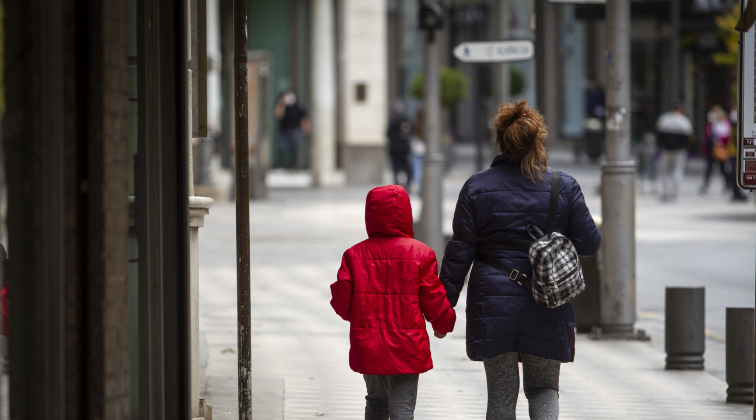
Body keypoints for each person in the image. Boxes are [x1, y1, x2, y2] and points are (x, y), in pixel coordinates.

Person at [440, 100, 601, 420]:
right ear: (538, 141)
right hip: (548, 301)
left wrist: (443, 307)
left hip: (492, 301)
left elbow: (460, 252)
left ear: (500, 142)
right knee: (543, 388)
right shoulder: (563, 185)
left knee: (501, 395)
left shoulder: (476, 187)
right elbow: (589, 243)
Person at [331, 185, 456, 420]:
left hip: (369, 343)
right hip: (407, 345)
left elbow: (340, 299)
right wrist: (442, 326)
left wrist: (358, 316)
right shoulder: (421, 254)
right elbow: (434, 298)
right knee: (403, 407)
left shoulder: (354, 254)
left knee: (376, 401)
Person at [656, 104, 693, 202]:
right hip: (679, 151)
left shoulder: (664, 119)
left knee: (664, 172)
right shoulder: (684, 121)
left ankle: (664, 192)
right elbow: (688, 139)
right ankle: (675, 194)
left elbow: (659, 137)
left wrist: (659, 149)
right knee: (677, 172)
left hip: (666, 150)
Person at [699, 105, 731, 195]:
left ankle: (728, 186)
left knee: (722, 169)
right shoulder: (710, 124)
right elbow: (706, 137)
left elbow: (727, 137)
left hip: (720, 149)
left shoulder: (724, 123)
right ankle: (705, 186)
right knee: (708, 168)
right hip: (710, 149)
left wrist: (721, 142)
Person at [275, 90, 309, 169]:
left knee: (295, 150)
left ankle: (294, 166)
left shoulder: (299, 107)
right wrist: (282, 103)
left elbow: (304, 119)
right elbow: (278, 115)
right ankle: (280, 166)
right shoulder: (282, 106)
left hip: (295, 130)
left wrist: (306, 128)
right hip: (284, 131)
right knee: (281, 149)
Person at [387, 105, 413, 189]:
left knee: (397, 168)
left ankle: (398, 184)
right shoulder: (404, 120)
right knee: (406, 167)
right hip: (402, 149)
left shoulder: (394, 121)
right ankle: (406, 184)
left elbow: (388, 134)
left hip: (397, 149)